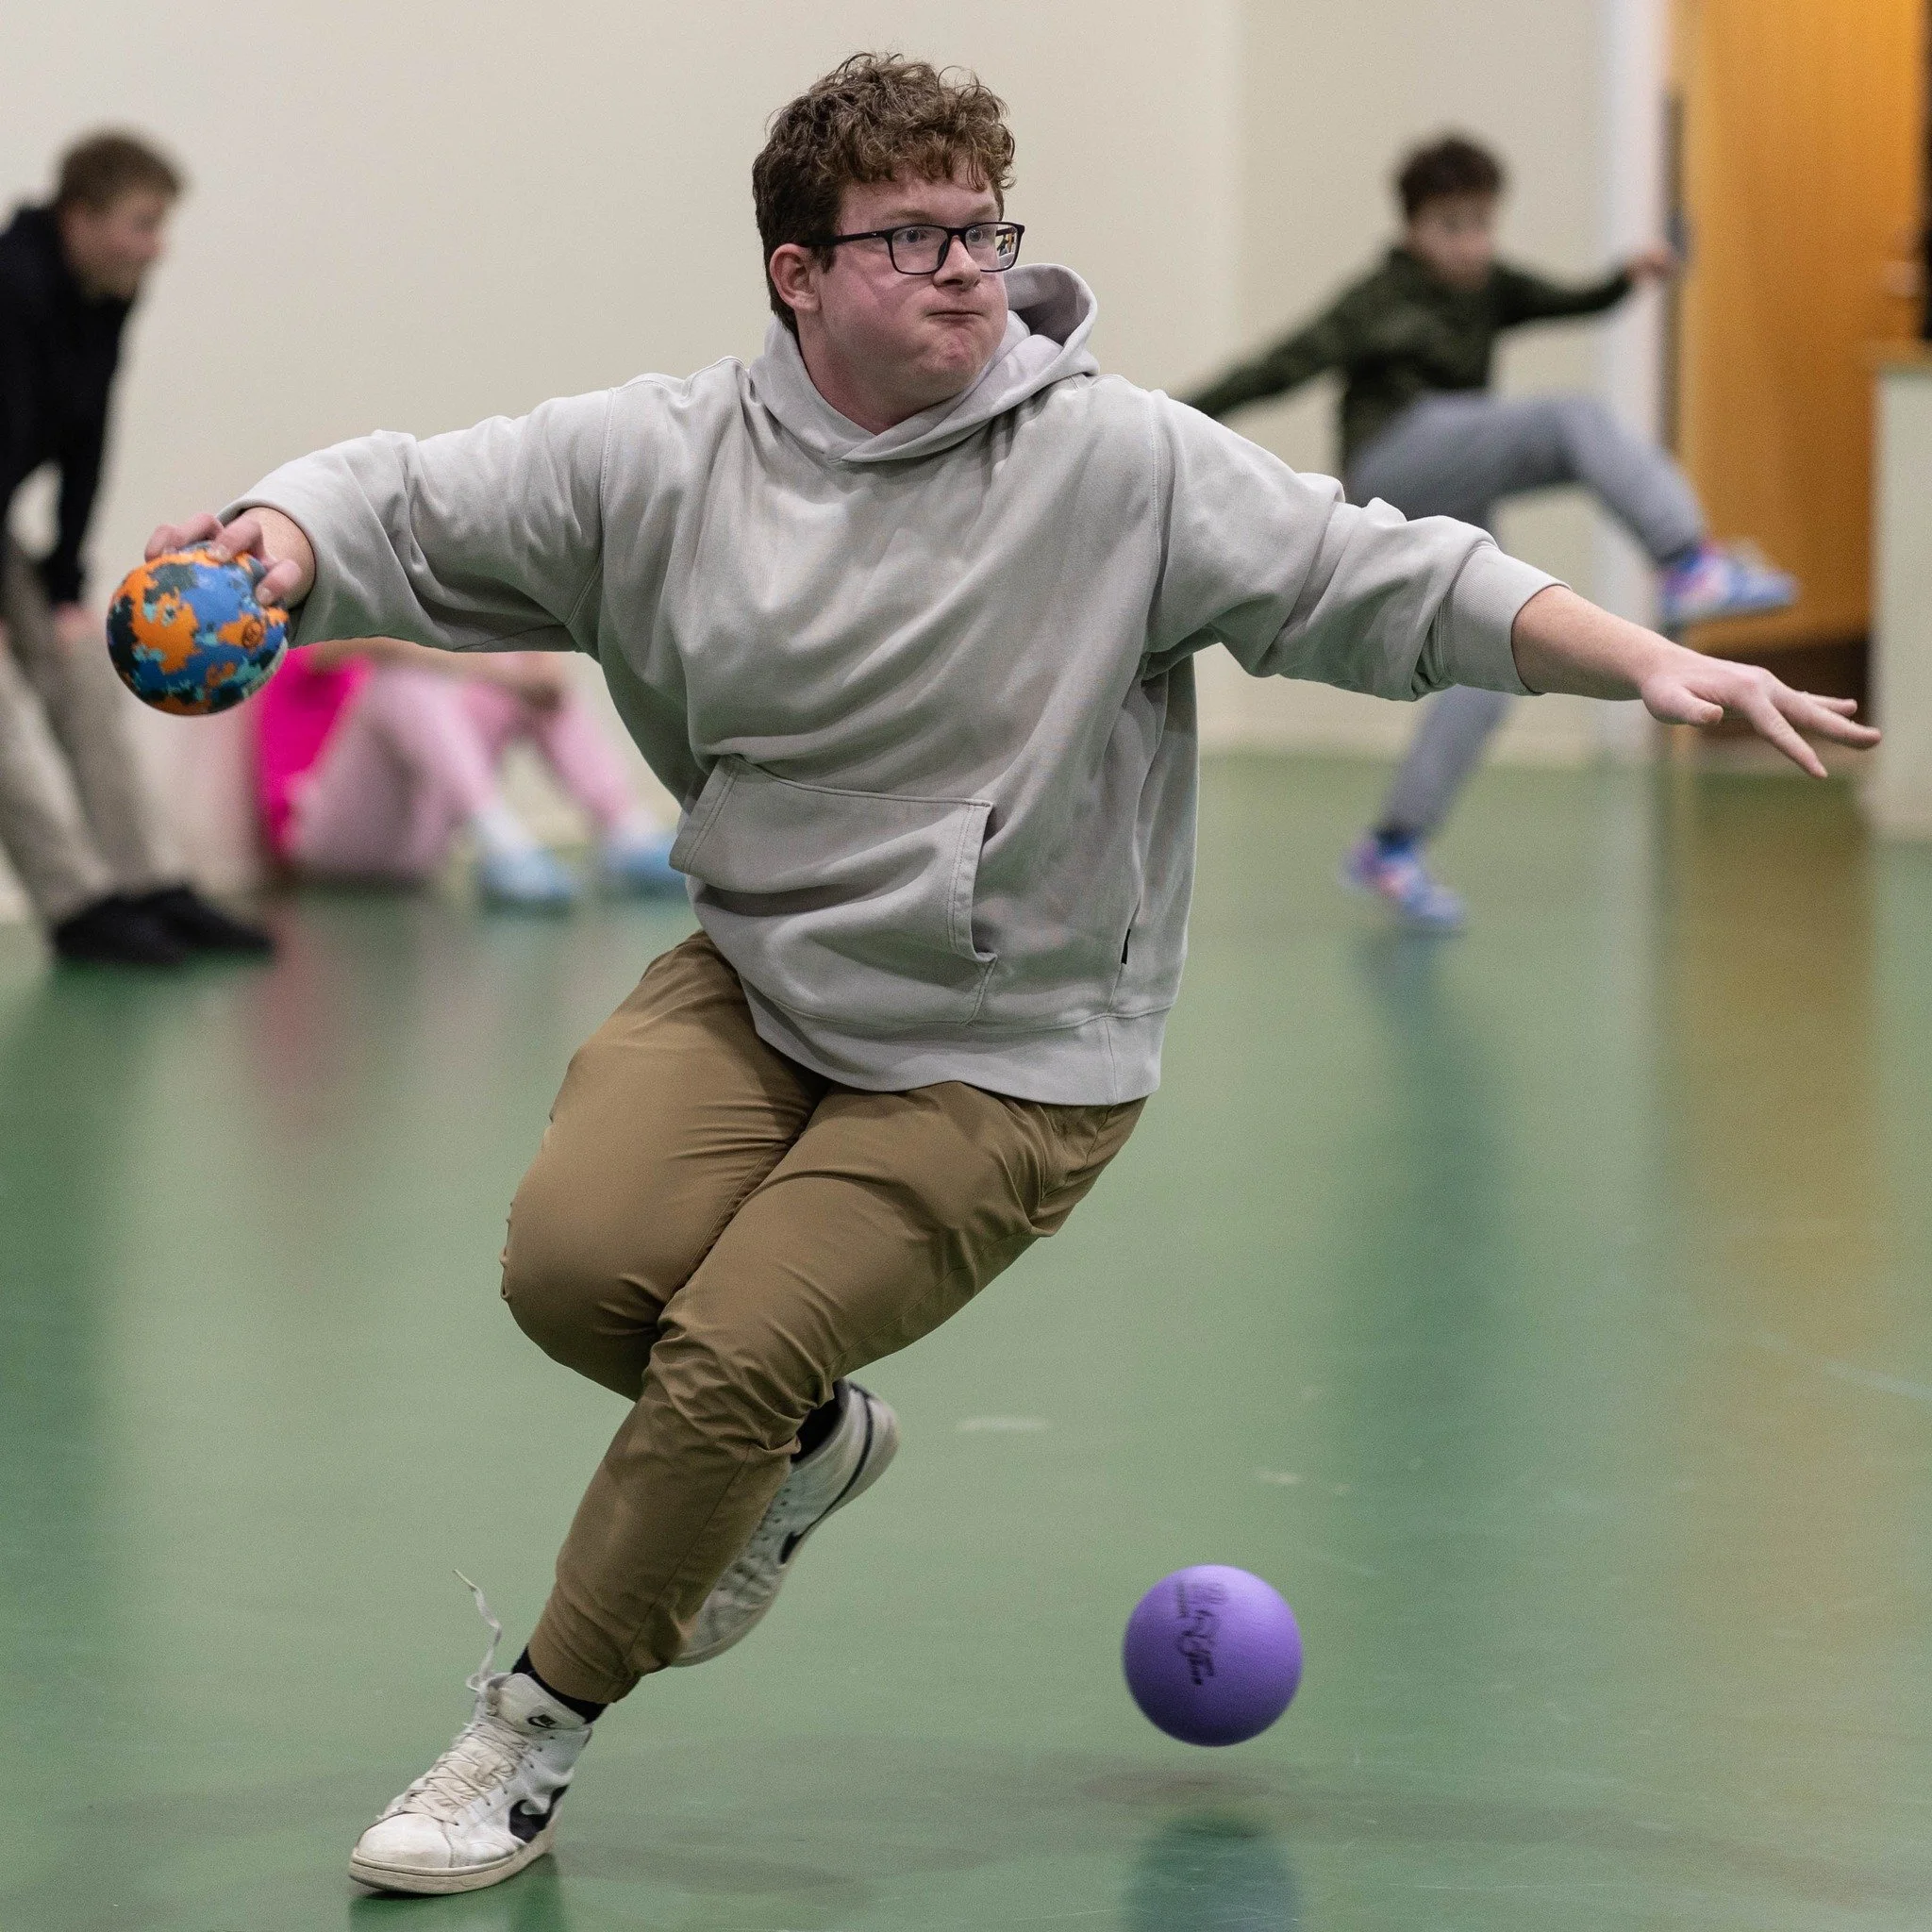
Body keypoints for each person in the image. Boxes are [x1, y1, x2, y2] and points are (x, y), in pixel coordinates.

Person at [146, 56, 1873, 1898]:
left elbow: (1379, 574)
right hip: (760, 977)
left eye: (986, 228)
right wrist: (279, 540)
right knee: (577, 1271)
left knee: (730, 1349)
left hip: (1010, 1049)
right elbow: (409, 500)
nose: (967, 267)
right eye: (913, 236)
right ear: (797, 274)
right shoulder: (662, 461)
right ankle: (806, 1454)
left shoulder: (1112, 465)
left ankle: (530, 1733)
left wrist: (1642, 661)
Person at [1184, 135, 1799, 928]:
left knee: (1492, 659)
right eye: (1452, 227)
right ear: (1413, 230)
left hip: (1458, 483)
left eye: (1483, 225)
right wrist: (1166, 417)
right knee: (1570, 418)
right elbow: (1277, 366)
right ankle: (1686, 561)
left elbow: (1574, 299)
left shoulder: (1492, 285)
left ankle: (1393, 844)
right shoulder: (1378, 298)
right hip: (1395, 461)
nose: (1472, 245)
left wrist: (1627, 276)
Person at [0, 131, 273, 965]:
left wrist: (66, 584)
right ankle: (76, 906)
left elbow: (88, 440)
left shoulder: (105, 291)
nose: (158, 248)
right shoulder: (11, 288)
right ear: (80, 218)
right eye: (142, 224)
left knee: (82, 671)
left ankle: (150, 881)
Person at [253, 638, 679, 907]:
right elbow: (371, 647)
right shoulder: (319, 629)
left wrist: (531, 663)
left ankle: (624, 832)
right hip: (325, 841)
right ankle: (500, 841)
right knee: (401, 679)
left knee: (532, 681)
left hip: (416, 853)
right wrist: (505, 670)